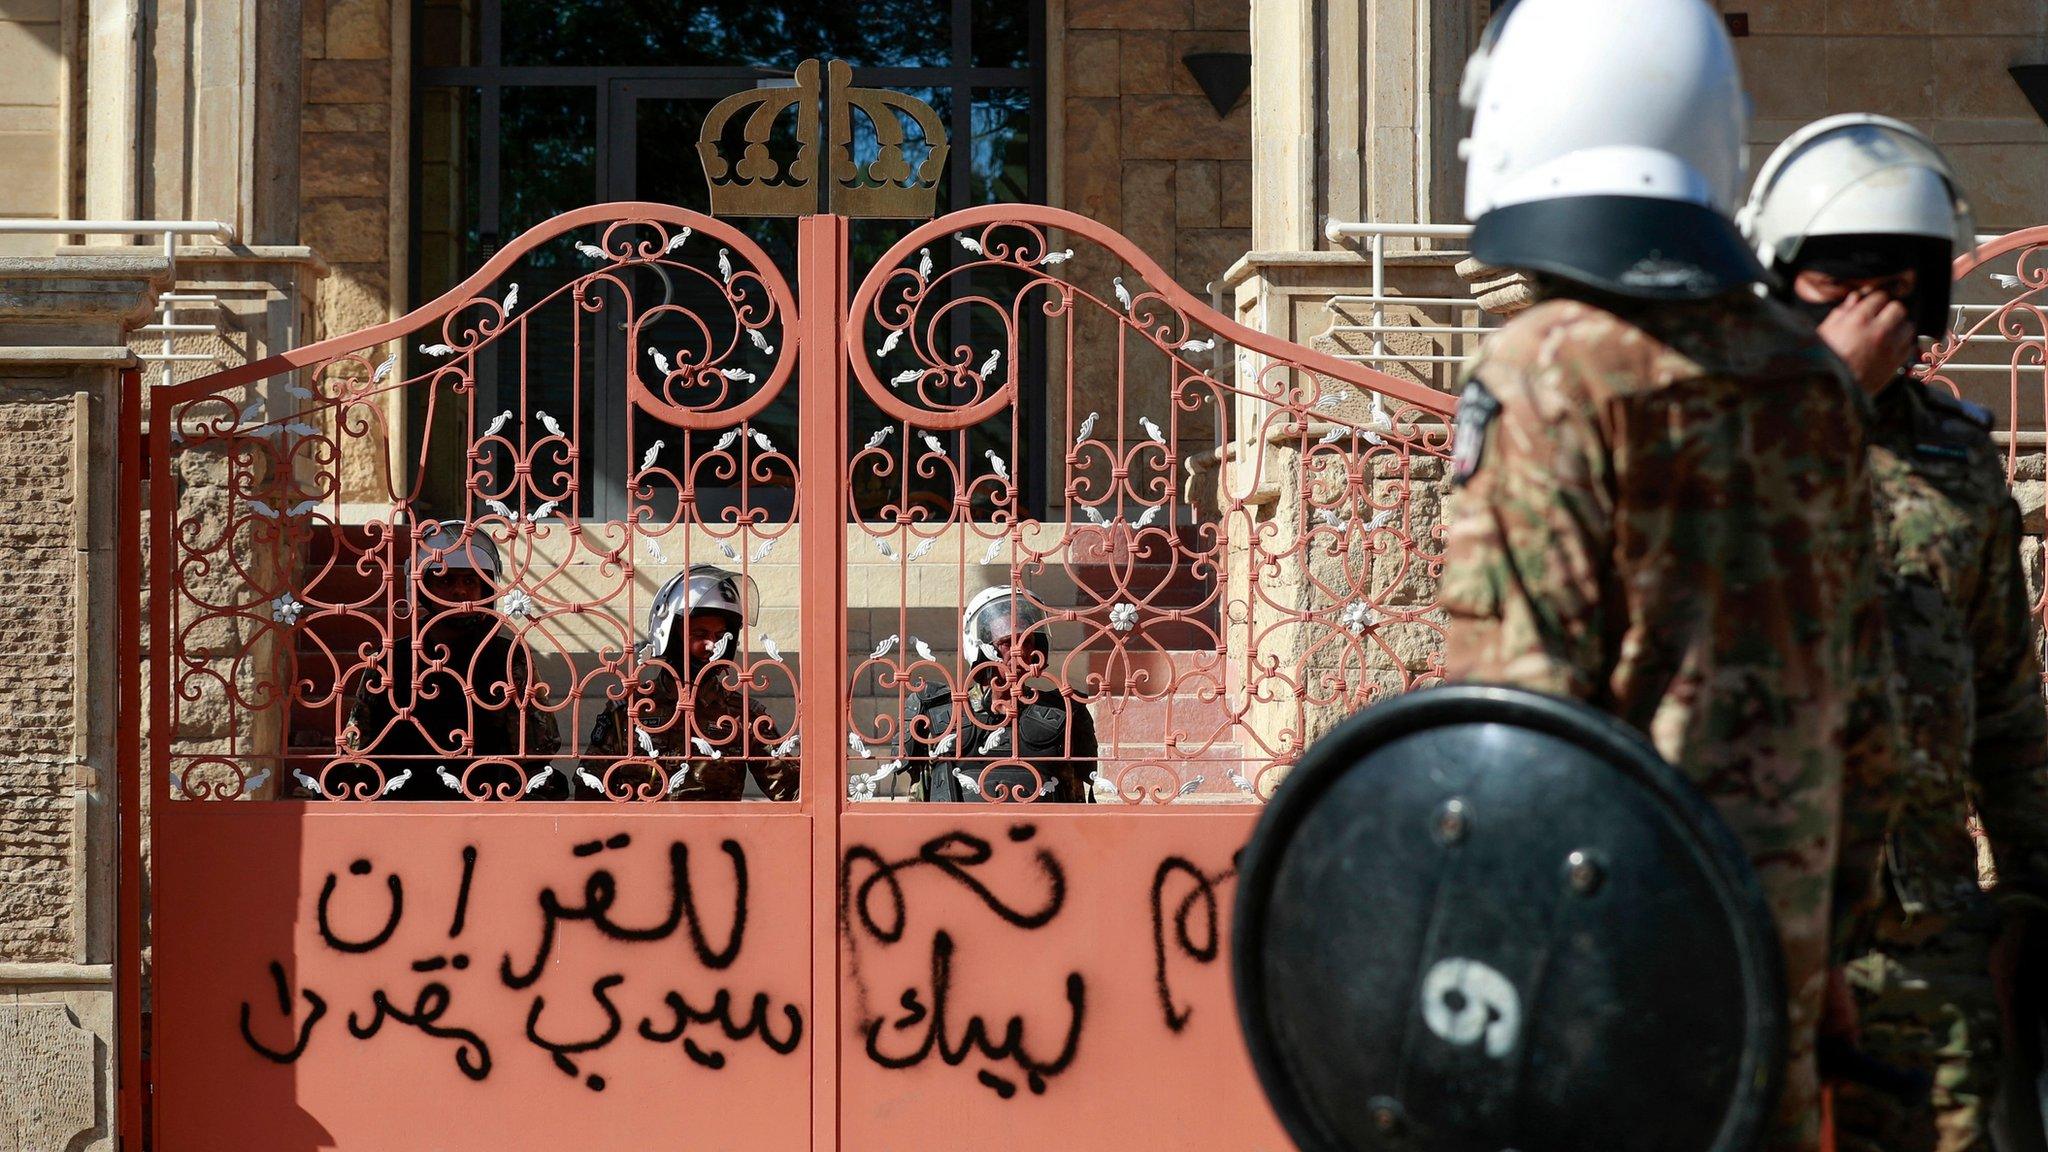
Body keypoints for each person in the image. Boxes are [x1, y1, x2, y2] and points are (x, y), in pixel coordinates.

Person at [1438, 3, 1903, 1149]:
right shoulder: (1805, 381)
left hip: (1602, 975)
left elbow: (1520, 720)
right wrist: (1829, 948)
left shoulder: (1542, 370)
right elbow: (1868, 713)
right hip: (1771, 970)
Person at [1742, 113, 2048, 1152]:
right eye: (1839, 283)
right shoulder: (1721, 438)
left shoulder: (1955, 464)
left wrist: (2026, 899)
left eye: (1894, 283)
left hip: (1923, 937)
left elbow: (2006, 704)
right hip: (1750, 929)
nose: (1870, 312)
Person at [335, 520, 562, 799]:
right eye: (445, 580)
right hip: (402, 801)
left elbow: (540, 746)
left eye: (470, 581)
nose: (460, 592)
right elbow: (356, 748)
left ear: (486, 590)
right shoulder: (389, 660)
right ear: (422, 588)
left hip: (488, 798)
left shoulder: (508, 655)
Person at [580, 564, 798, 801]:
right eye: (700, 634)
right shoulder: (629, 710)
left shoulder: (743, 715)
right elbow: (589, 792)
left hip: (714, 835)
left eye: (720, 636)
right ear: (671, 636)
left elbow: (792, 793)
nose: (712, 646)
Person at [898, 586, 1098, 803]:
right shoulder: (938, 711)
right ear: (981, 649)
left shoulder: (1064, 711)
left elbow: (1076, 799)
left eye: (1027, 641)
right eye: (1006, 642)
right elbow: (917, 800)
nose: (1018, 651)